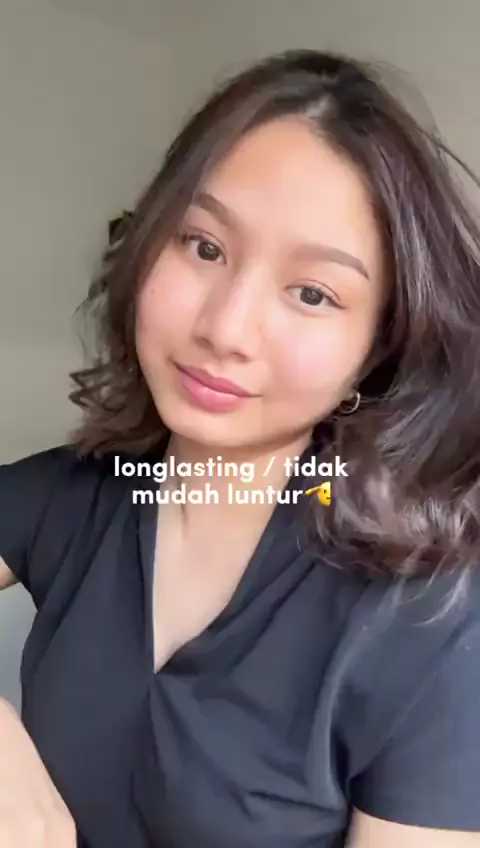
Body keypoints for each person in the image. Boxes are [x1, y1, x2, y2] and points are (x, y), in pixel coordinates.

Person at [1, 48, 480, 848]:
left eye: (313, 293)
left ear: (376, 349)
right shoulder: (82, 495)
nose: (225, 329)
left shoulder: (431, 618)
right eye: (204, 246)